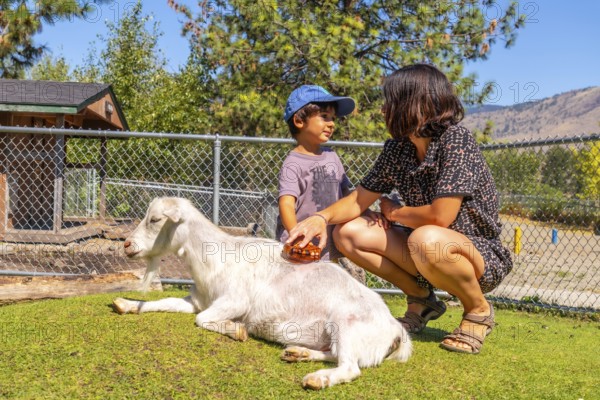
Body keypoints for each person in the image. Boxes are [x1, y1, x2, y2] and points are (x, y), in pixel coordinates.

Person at [286, 64, 513, 355]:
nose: (383, 110)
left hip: (476, 254)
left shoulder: (456, 140)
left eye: (390, 101)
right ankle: (421, 299)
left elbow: (441, 216)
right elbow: (359, 200)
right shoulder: (398, 148)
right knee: (347, 233)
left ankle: (477, 310)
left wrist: (394, 213)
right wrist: (320, 218)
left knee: (426, 238)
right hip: (423, 248)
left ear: (413, 103)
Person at [276, 85, 355, 261]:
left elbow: (347, 195)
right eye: (324, 117)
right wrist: (296, 236)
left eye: (333, 118)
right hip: (301, 247)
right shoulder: (292, 163)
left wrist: (366, 212)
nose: (332, 123)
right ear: (299, 121)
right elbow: (287, 204)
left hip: (327, 243)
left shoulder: (332, 156)